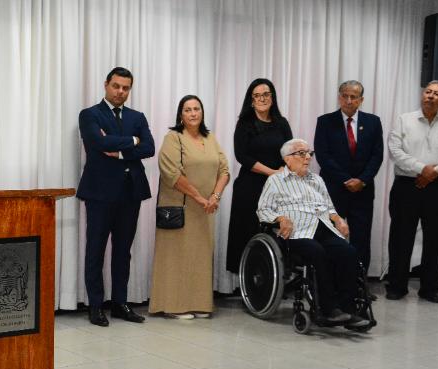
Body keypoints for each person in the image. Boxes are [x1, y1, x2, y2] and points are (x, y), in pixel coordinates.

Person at [257, 139, 369, 327]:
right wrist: (280, 218)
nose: (308, 157)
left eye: (309, 153)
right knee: (317, 252)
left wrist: (338, 219)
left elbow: (329, 207)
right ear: (287, 159)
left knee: (348, 252)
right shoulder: (275, 180)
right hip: (296, 232)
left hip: (322, 227)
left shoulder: (317, 180)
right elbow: (263, 210)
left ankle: (349, 310)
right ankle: (328, 310)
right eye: (302, 153)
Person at [77, 67, 155, 327]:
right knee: (95, 250)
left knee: (123, 251)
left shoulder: (137, 116)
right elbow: (98, 144)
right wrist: (133, 140)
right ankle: (96, 306)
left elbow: (149, 147)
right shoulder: (90, 114)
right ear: (106, 85)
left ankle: (120, 304)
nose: (121, 91)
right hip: (99, 192)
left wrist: (121, 149)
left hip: (130, 192)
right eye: (116, 86)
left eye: (126, 88)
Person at [149, 95, 230, 319]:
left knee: (200, 257)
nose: (193, 113)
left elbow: (224, 170)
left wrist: (215, 196)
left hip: (206, 210)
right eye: (188, 110)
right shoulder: (173, 138)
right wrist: (200, 198)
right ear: (181, 115)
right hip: (180, 207)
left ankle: (199, 304)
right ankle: (173, 306)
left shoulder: (210, 138)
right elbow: (172, 173)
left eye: (196, 109)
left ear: (202, 112)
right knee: (177, 257)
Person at [385, 80, 438, 303]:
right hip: (407, 186)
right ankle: (397, 286)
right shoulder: (404, 119)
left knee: (436, 239)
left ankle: (430, 288)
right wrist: (422, 169)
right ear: (422, 95)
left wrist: (435, 172)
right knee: (400, 237)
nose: (431, 96)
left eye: (437, 94)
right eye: (428, 92)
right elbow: (395, 151)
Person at [313, 80, 384, 273]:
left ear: (361, 100)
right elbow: (323, 156)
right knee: (330, 237)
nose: (349, 100)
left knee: (361, 238)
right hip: (333, 190)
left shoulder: (373, 122)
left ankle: (358, 283)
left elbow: (377, 156)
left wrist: (362, 180)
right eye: (345, 96)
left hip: (362, 191)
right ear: (339, 97)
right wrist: (346, 179)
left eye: (354, 97)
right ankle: (331, 281)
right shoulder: (325, 121)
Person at [225, 78, 292, 273]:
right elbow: (242, 156)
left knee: (277, 234)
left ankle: (273, 278)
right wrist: (272, 173)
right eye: (257, 96)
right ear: (251, 100)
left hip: (278, 188)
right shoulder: (244, 124)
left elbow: (290, 150)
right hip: (250, 188)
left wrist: (282, 171)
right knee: (248, 234)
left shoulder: (282, 123)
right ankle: (249, 282)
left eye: (266, 94)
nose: (262, 99)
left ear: (272, 97)